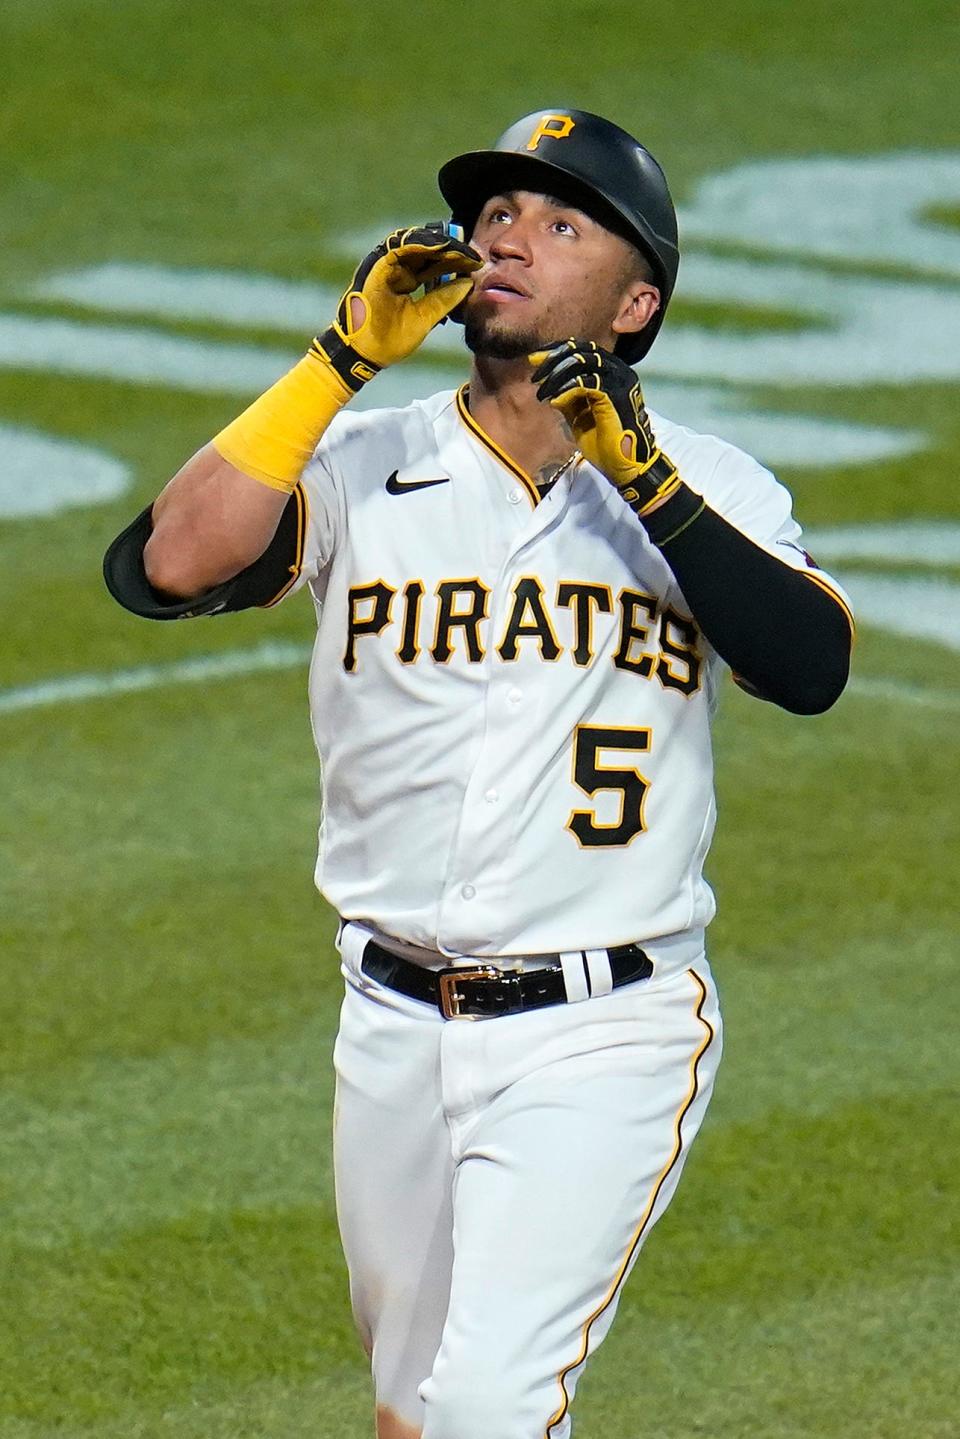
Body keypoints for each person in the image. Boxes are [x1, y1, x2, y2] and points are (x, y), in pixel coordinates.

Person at [104, 108, 853, 1439]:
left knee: (486, 1413)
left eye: (561, 223)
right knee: (415, 1418)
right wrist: (338, 360)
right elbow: (170, 563)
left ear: (633, 305)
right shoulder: (365, 459)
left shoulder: (718, 483)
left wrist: (649, 480)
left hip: (602, 1026)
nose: (510, 236)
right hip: (390, 1018)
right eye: (498, 213)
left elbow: (807, 662)